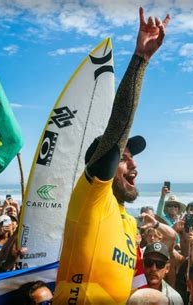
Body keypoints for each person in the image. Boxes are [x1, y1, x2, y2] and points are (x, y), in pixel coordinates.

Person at [54, 7, 170, 304]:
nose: (133, 164)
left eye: (132, 157)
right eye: (124, 156)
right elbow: (118, 126)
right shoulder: (93, 195)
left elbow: (134, 288)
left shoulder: (130, 224)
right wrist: (140, 61)